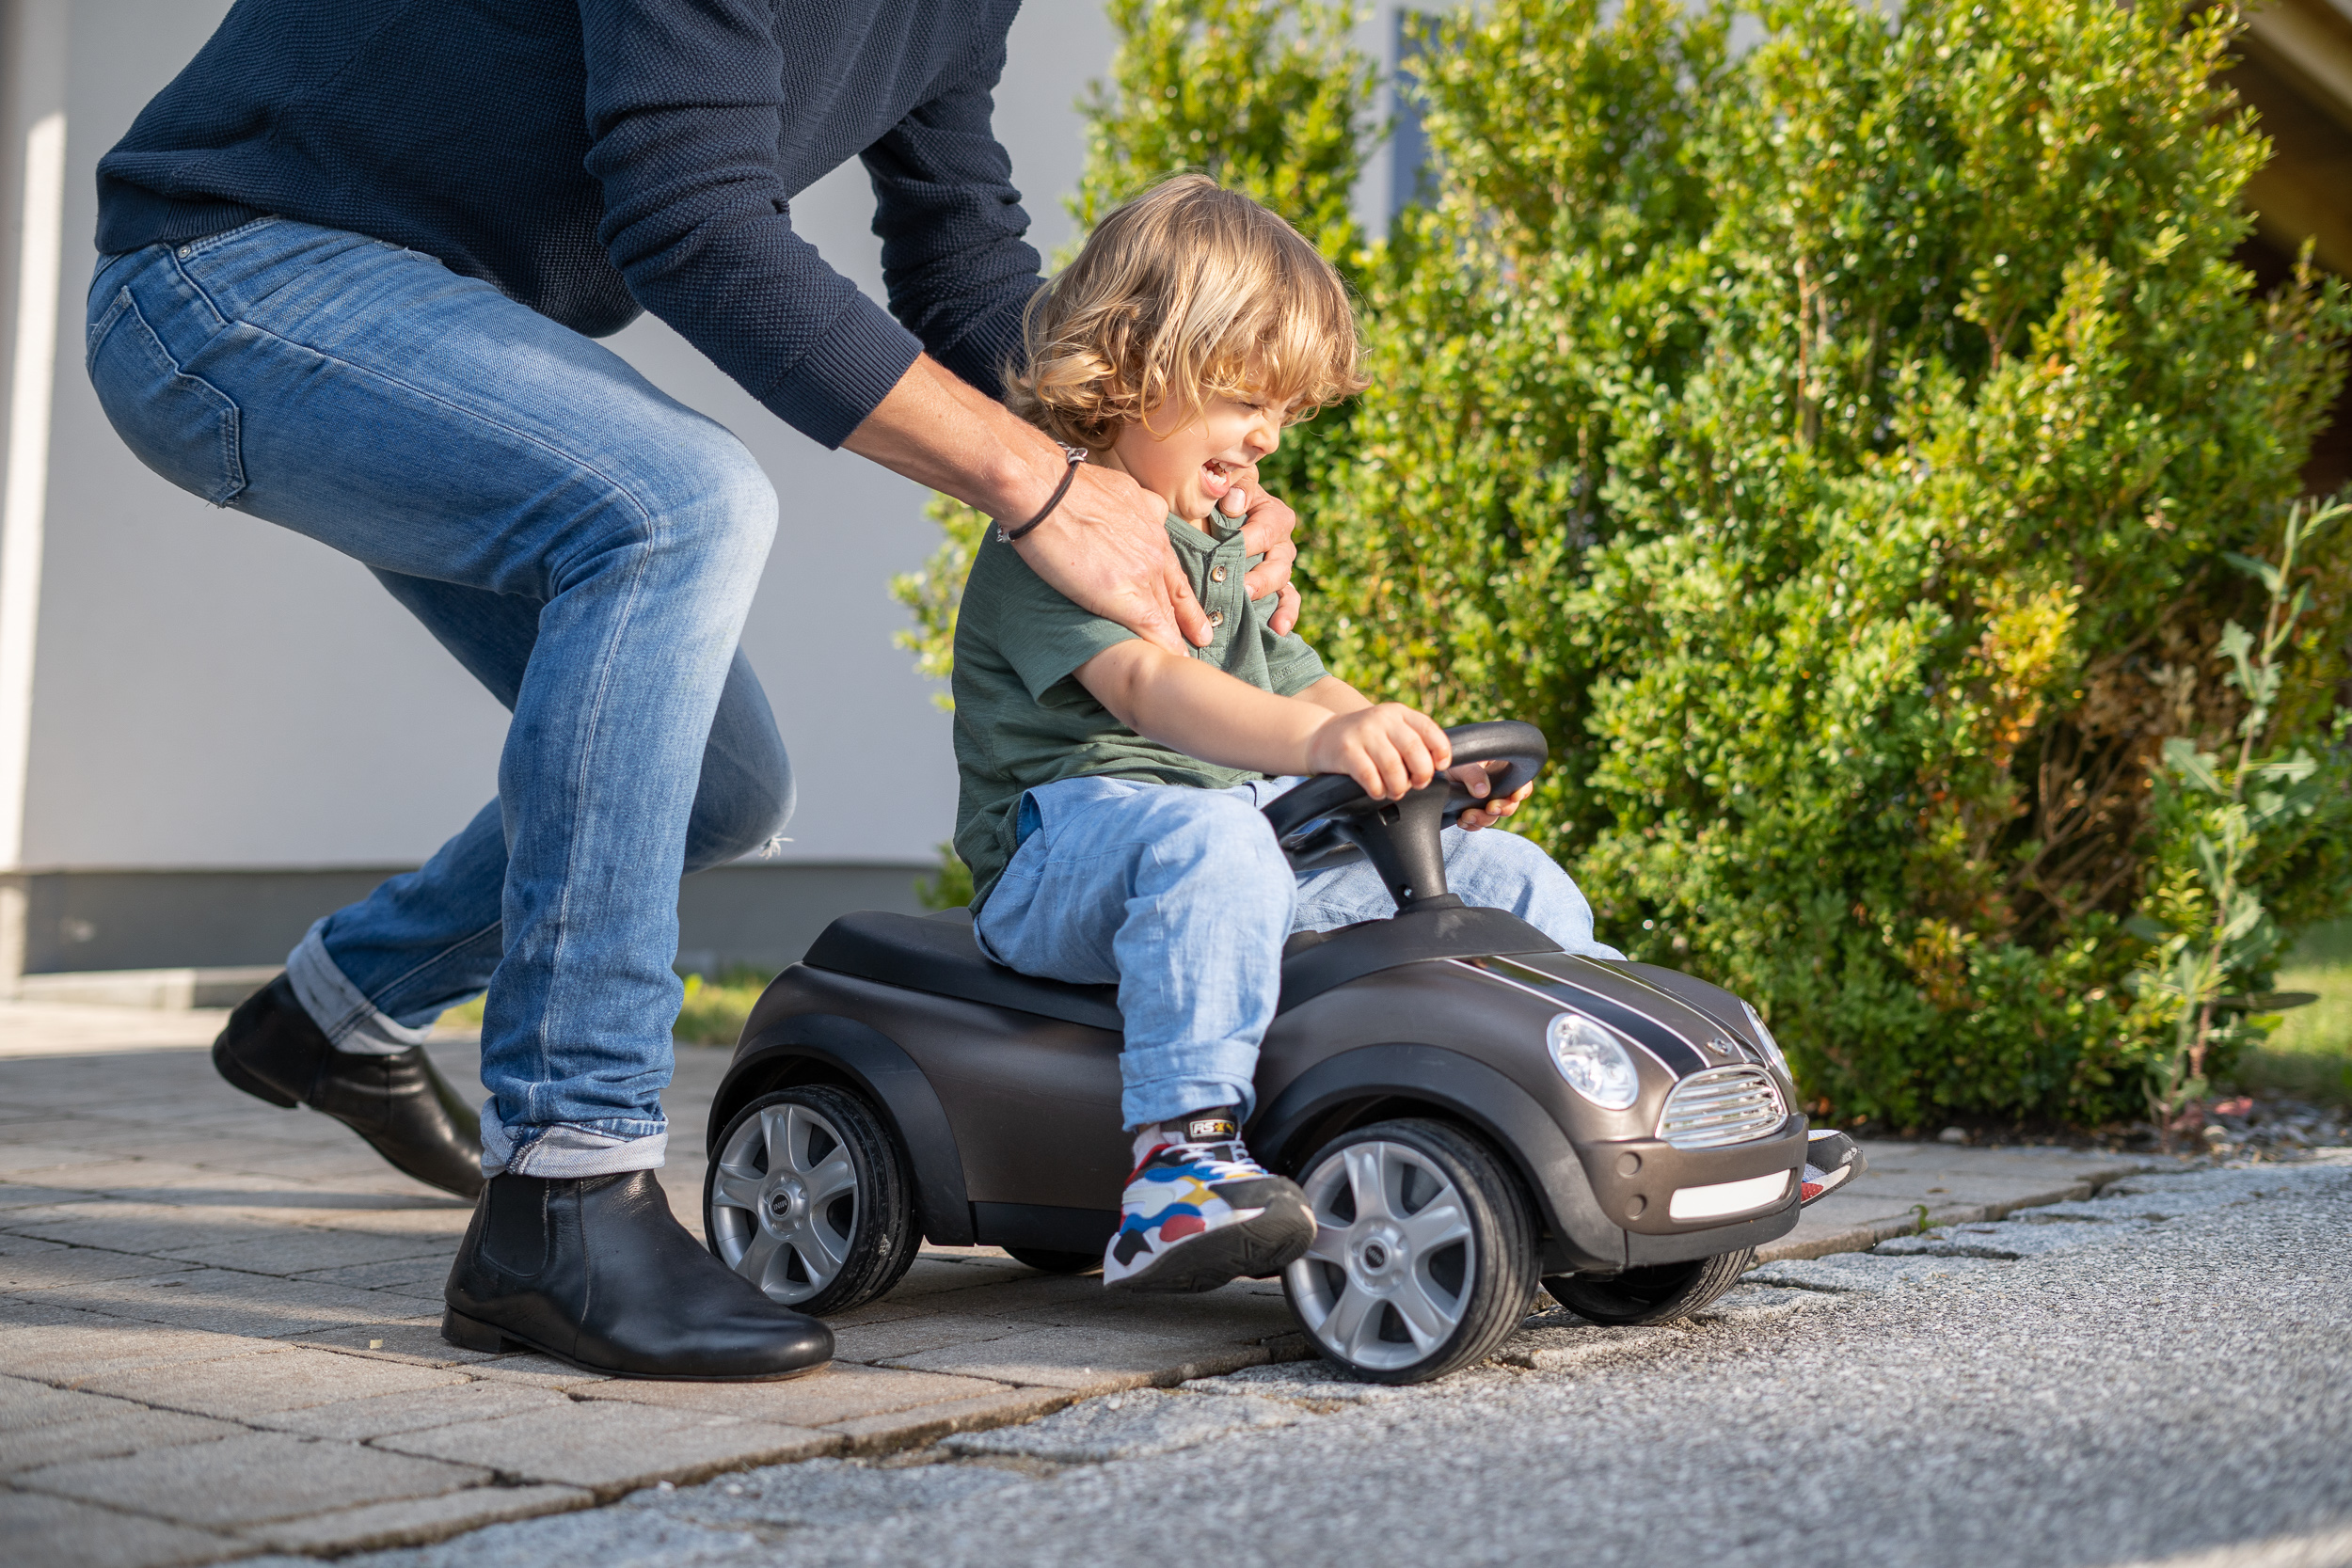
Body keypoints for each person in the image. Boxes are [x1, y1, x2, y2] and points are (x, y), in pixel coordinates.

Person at [85, 1, 1301, 1381]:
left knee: (720, 785)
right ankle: (564, 1189)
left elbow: (960, 252)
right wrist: (1036, 482)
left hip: (432, 317)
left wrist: (1178, 479)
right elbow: (688, 212)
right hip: (229, 276)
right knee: (677, 505)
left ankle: (336, 1009)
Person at [957, 176, 1867, 1291]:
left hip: (1242, 845)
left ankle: (1664, 1094)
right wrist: (1316, 744)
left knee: (1498, 871)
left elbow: (1304, 682)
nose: (1265, 441)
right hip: (1068, 859)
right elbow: (1152, 690)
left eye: (1283, 418)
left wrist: (1413, 753)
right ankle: (1176, 1165)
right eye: (1248, 401)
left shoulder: (1218, 539)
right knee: (1215, 839)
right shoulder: (1051, 538)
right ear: (1143, 360)